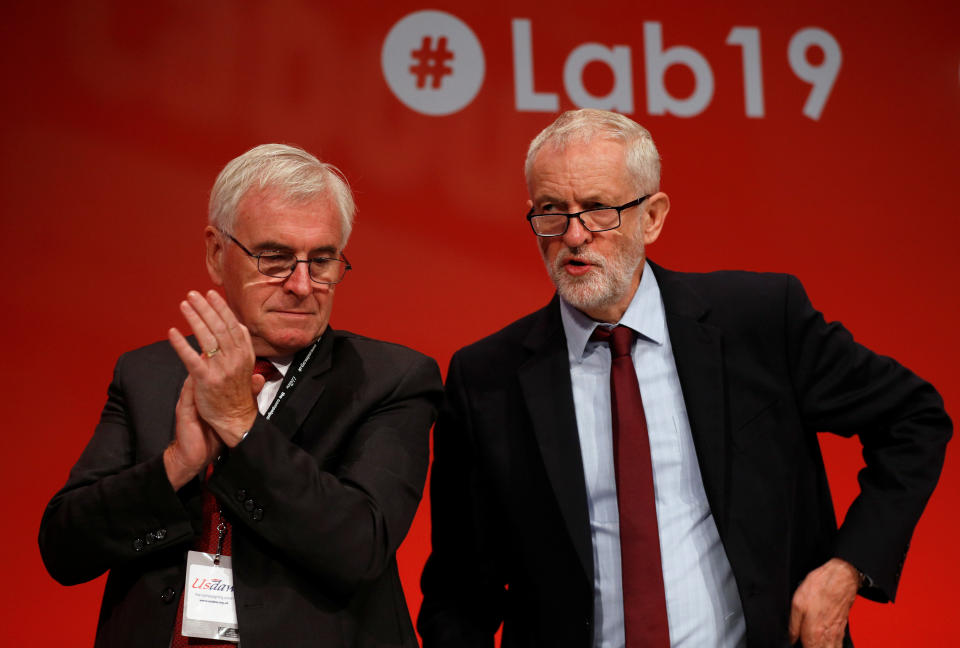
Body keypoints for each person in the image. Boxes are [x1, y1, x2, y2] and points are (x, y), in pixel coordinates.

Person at [417, 110, 951, 648]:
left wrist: (847, 568)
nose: (574, 234)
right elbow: (458, 592)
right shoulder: (487, 377)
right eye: (552, 211)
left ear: (652, 217)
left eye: (599, 209)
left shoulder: (760, 320)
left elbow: (915, 418)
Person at [39, 143, 442, 648]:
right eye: (274, 259)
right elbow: (64, 549)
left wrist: (240, 427)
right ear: (215, 252)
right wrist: (176, 466)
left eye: (322, 260)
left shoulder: (390, 378)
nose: (302, 284)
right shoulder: (149, 373)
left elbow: (359, 548)